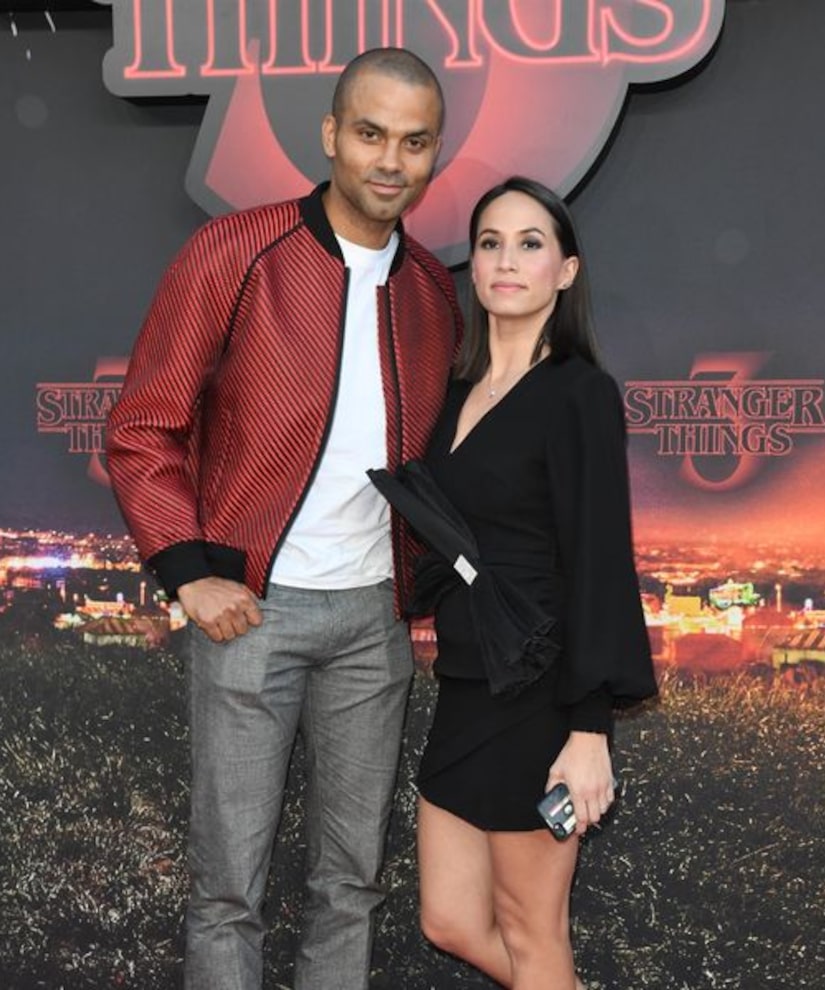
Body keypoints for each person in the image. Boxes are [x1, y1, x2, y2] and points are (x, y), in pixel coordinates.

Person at [105, 48, 462, 990]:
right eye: (372, 133)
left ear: (436, 156)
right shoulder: (237, 250)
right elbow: (142, 425)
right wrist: (188, 570)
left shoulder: (431, 291)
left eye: (414, 142)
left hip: (372, 626)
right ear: (331, 136)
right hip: (252, 613)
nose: (390, 160)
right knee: (229, 892)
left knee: (351, 884)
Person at [408, 177, 658, 989]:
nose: (505, 260)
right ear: (471, 268)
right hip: (465, 685)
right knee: (447, 920)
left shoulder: (579, 393)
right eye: (488, 243)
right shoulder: (451, 398)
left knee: (531, 930)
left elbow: (597, 560)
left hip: (541, 697)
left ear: (565, 271)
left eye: (529, 243)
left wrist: (588, 732)